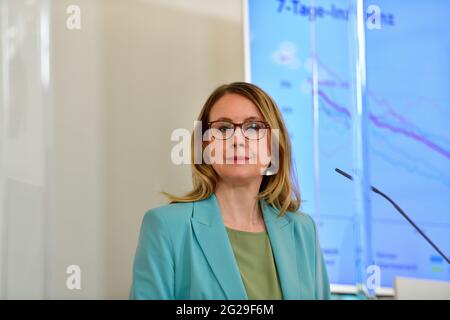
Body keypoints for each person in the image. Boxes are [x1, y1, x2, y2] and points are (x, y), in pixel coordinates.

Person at [129, 82, 330, 299]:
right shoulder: (166, 227)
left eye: (253, 128)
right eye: (223, 128)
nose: (238, 141)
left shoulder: (303, 230)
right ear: (204, 145)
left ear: (273, 145)